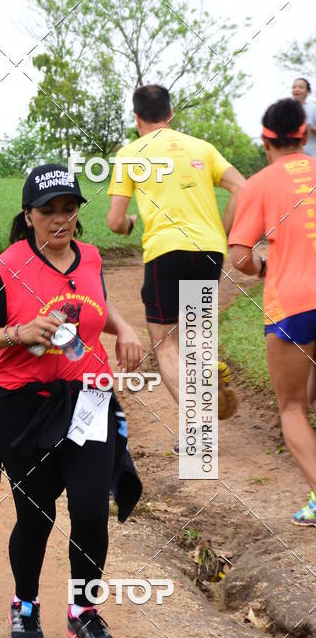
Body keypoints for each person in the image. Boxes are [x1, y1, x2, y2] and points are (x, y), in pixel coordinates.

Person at [0, 164, 143, 638]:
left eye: (68, 208)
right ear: (29, 216)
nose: (60, 219)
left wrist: (122, 328)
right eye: (48, 211)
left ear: (78, 212)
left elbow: (97, 302)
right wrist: (17, 332)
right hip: (24, 408)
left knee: (88, 511)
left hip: (89, 398)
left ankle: (83, 611)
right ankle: (26, 603)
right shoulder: (8, 266)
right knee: (35, 516)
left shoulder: (92, 256)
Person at [106, 84, 246, 449]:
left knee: (166, 342)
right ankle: (204, 375)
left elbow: (114, 221)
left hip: (166, 250)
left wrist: (131, 225)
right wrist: (223, 230)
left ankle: (197, 431)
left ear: (137, 118)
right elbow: (243, 190)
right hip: (208, 249)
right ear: (170, 115)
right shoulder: (202, 148)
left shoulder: (130, 154)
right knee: (196, 333)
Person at [229, 98, 316, 526]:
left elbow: (239, 256)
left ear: (266, 140)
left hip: (294, 304)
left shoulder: (258, 184)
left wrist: (266, 266)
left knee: (293, 406)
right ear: (306, 134)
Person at [291, 77, 316, 157]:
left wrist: (313, 129)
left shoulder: (313, 109)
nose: (296, 89)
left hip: (311, 156)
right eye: (294, 87)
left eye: (301, 87)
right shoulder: (286, 110)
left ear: (307, 91)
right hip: (292, 157)